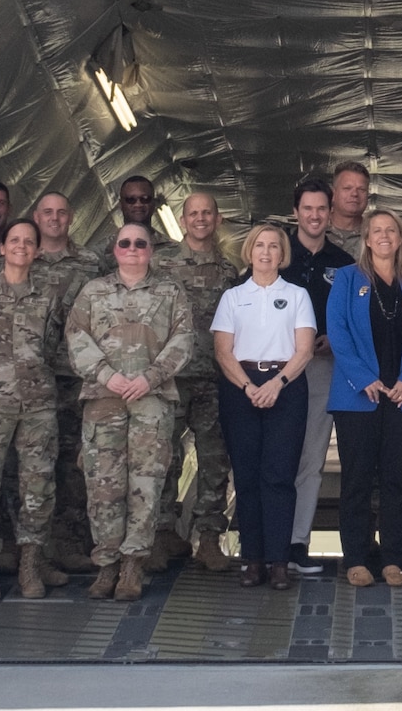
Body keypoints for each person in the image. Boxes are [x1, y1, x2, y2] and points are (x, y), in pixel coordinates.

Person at [67, 222, 194, 599]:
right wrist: (107, 375)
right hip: (104, 399)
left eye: (141, 243)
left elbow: (184, 338)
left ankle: (132, 566)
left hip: (151, 401)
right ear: (115, 250)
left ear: (151, 250)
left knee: (146, 483)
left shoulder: (170, 291)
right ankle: (106, 565)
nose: (134, 248)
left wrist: (151, 377)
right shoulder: (93, 291)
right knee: (103, 484)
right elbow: (76, 336)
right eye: (126, 243)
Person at [0, 218, 65, 601]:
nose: (21, 246)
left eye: (29, 241)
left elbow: (53, 348)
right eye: (14, 240)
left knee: (37, 486)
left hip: (37, 406)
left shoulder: (48, 295)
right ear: (1, 248)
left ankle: (29, 565)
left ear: (37, 251)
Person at [328, 210, 402, 587]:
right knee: (357, 478)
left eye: (392, 230)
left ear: (400, 239)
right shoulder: (345, 279)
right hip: (359, 396)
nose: (385, 236)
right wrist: (363, 378)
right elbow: (337, 331)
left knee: (400, 479)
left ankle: (395, 558)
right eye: (378, 231)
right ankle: (356, 557)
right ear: (367, 239)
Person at [213, 223, 317, 590]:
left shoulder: (297, 295)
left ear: (282, 254)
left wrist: (276, 383)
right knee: (247, 476)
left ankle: (278, 561)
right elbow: (223, 352)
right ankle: (252, 560)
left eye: (274, 246)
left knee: (279, 475)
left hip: (285, 388)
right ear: (250, 251)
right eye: (260, 245)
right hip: (240, 389)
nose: (266, 252)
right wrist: (247, 386)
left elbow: (304, 349)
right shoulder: (232, 297)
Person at [153, 190, 236, 572]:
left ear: (217, 219)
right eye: (193, 214)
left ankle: (207, 537)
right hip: (171, 377)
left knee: (214, 460)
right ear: (183, 221)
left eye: (207, 212)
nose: (200, 219)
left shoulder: (229, 271)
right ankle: (163, 532)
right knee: (163, 458)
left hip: (214, 379)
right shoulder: (161, 265)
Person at [29, 189, 108, 576]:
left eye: (61, 212)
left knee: (77, 464)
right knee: (33, 465)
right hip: (32, 379)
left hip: (78, 377)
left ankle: (73, 542)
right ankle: (32, 549)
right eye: (48, 212)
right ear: (36, 216)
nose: (55, 218)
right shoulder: (22, 258)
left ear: (71, 216)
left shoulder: (92, 263)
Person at [283, 176, 356, 573]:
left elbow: (353, 318)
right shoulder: (274, 254)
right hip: (275, 372)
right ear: (295, 212)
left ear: (331, 213)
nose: (314, 216)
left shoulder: (343, 263)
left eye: (321, 209)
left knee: (311, 457)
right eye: (307, 208)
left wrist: (333, 339)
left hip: (323, 369)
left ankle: (297, 543)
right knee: (276, 457)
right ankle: (266, 542)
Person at [326, 161, 372, 256]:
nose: (355, 194)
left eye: (361, 189)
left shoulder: (375, 234)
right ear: (333, 194)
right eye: (347, 188)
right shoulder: (316, 231)